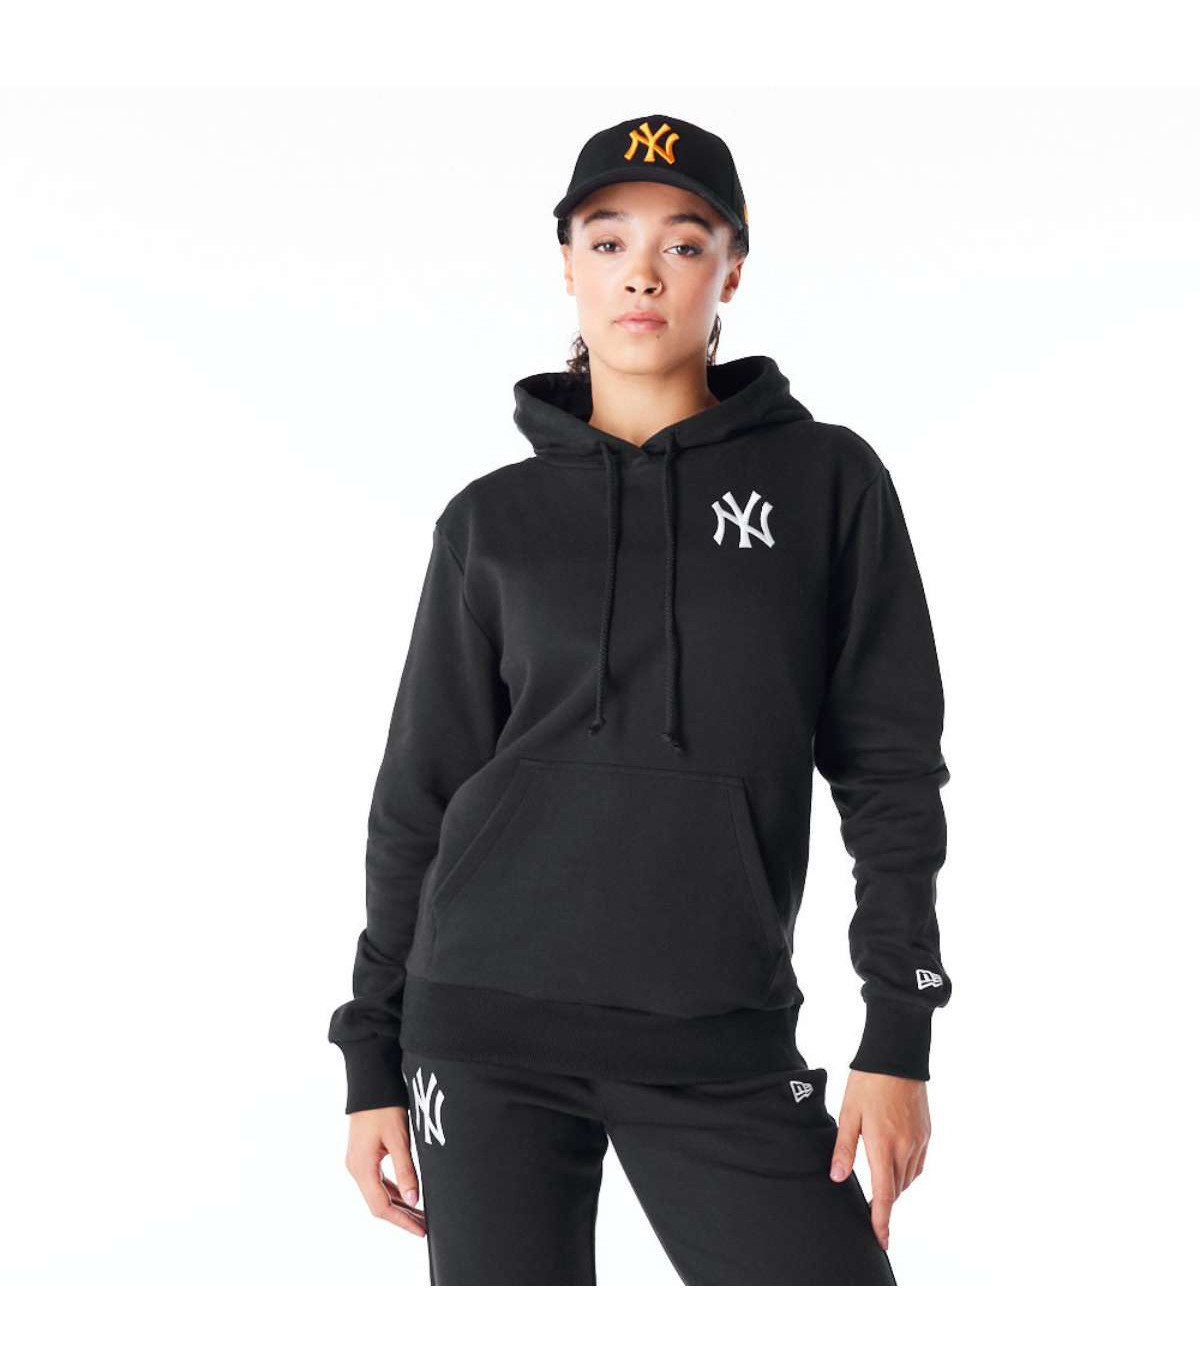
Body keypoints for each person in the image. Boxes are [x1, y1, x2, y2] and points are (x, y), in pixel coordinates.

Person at [327, 112, 952, 1285]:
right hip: (480, 1031)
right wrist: (372, 1055)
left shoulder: (828, 483)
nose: (644, 273)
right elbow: (419, 796)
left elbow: (890, 773)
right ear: (567, 264)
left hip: (717, 1033)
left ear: (732, 271)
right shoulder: (491, 522)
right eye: (609, 242)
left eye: (685, 241)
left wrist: (898, 1032)